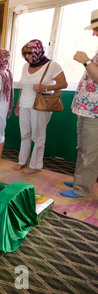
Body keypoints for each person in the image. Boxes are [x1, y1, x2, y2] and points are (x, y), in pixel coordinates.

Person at [13, 39, 68, 174]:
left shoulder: (51, 65)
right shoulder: (26, 66)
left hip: (40, 106)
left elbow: (63, 84)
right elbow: (23, 87)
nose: (27, 57)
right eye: (25, 54)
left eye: (30, 53)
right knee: (24, 135)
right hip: (25, 104)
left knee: (38, 136)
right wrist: (18, 104)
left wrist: (45, 87)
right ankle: (22, 161)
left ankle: (35, 165)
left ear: (38, 51)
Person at [61, 11, 98, 198]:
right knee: (82, 148)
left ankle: (81, 189)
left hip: (95, 113)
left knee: (90, 153)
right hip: (87, 109)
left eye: (96, 29)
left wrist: (86, 61)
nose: (94, 33)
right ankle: (79, 181)